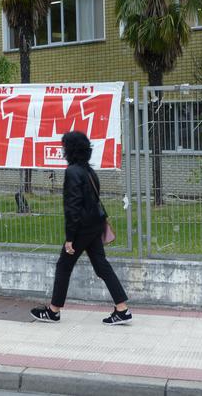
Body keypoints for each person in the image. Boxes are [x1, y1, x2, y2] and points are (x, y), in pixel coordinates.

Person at [30, 131, 132, 325]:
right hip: (95, 226)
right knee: (102, 267)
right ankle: (122, 309)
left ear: (70, 149)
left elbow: (73, 207)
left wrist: (70, 238)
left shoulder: (72, 172)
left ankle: (53, 311)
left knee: (64, 266)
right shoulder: (89, 171)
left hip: (83, 228)